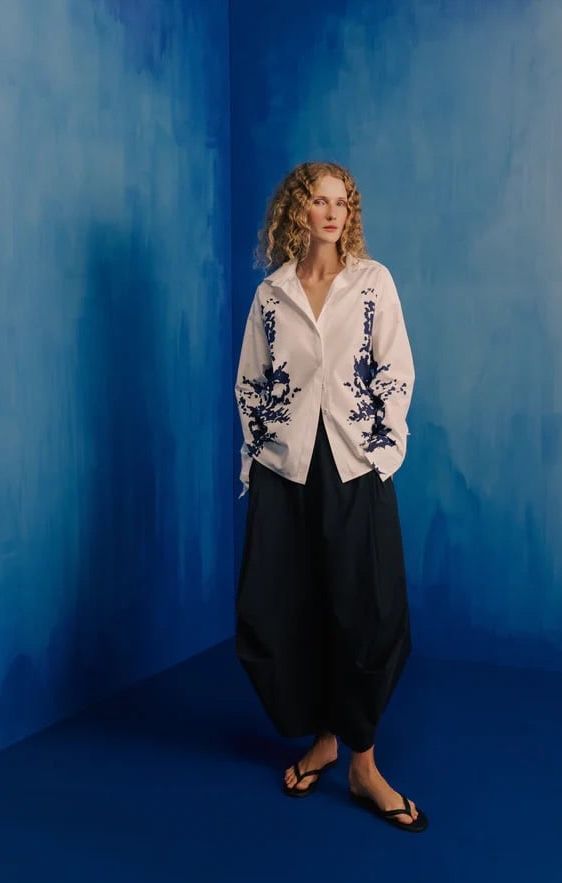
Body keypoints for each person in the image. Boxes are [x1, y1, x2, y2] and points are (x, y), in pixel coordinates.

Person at [234, 161, 427, 832]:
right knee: (291, 605)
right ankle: (322, 740)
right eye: (319, 201)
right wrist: (259, 455)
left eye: (342, 202)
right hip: (285, 470)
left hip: (353, 466)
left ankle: (364, 764)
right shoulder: (272, 294)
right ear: (299, 210)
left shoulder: (372, 283)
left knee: (365, 609)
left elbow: (396, 369)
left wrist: (381, 453)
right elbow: (252, 381)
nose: (332, 212)